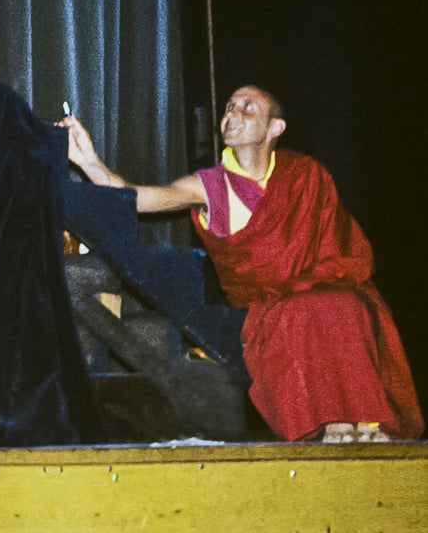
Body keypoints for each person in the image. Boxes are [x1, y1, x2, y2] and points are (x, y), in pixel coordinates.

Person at [61, 85, 423, 442]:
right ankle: (329, 425)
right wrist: (88, 159)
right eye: (230, 107)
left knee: (350, 304)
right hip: (263, 308)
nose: (231, 114)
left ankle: (367, 423)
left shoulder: (305, 175)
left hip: (318, 292)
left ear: (274, 128)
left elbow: (344, 252)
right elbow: (133, 198)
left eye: (247, 108)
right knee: (303, 311)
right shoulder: (211, 186)